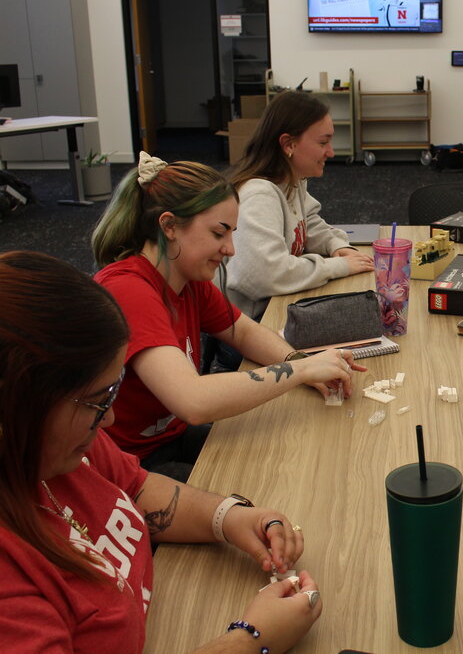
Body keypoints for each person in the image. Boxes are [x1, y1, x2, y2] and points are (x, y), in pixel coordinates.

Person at [0, 251, 322, 653]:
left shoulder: (54, 448)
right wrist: (250, 640)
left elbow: (136, 488)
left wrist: (230, 517)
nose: (110, 418)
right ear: (18, 404)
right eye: (97, 401)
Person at [91, 153, 365, 481]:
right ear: (169, 226)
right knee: (260, 487)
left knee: (281, 460)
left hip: (171, 436)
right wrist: (301, 370)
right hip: (127, 464)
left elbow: (243, 332)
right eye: (218, 233)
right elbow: (193, 401)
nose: (231, 249)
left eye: (232, 233)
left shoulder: (186, 277)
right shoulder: (129, 290)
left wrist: (302, 362)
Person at [225, 90, 374, 323]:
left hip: (279, 303)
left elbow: (308, 223)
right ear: (288, 144)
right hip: (255, 322)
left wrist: (336, 245)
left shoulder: (292, 180)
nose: (331, 152)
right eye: (323, 142)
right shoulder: (259, 196)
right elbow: (264, 275)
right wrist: (338, 266)